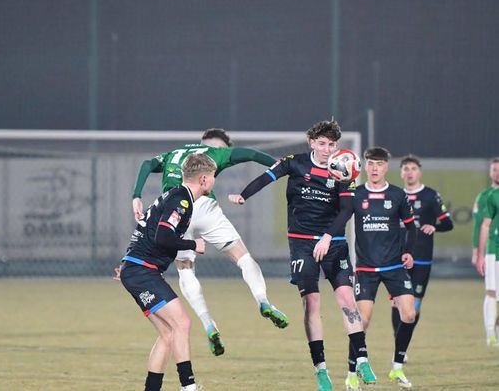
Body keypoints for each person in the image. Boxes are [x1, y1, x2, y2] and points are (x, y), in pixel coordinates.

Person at [229, 120, 376, 391]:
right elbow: (267, 177)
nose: (327, 149)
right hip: (302, 244)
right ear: (312, 143)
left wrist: (328, 237)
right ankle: (321, 370)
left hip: (334, 242)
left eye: (332, 144)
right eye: (322, 143)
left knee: (347, 299)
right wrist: (244, 195)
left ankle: (363, 359)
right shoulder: (295, 163)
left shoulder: (343, 168)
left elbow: (347, 210)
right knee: (312, 304)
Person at [131, 128, 289, 356]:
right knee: (243, 257)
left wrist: (136, 195)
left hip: (175, 208)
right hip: (204, 206)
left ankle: (208, 323)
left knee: (185, 269)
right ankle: (263, 301)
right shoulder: (216, 153)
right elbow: (252, 154)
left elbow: (147, 164)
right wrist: (280, 166)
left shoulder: (174, 153)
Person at [119, 153, 216, 391]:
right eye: (213, 176)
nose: (214, 181)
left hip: (137, 269)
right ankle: (188, 386)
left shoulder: (176, 195)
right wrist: (193, 244)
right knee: (182, 323)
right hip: (142, 271)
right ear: (203, 179)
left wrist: (128, 263)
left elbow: (149, 232)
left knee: (168, 333)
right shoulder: (181, 200)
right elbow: (162, 237)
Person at [352, 147, 417, 389]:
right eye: (371, 163)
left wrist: (409, 251)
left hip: (394, 266)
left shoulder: (398, 195)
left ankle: (397, 368)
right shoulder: (356, 194)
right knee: (362, 321)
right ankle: (354, 369)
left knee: (409, 314)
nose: (375, 168)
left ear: (386, 167)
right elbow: (338, 221)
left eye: (379, 164)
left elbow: (411, 227)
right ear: (365, 166)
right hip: (366, 268)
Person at [391, 155, 453, 357]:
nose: (409, 172)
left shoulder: (431, 196)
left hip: (422, 258)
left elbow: (448, 223)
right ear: (401, 173)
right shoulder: (396, 195)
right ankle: (399, 347)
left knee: (414, 305)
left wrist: (434, 226)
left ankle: (404, 343)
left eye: (413, 169)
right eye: (406, 169)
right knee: (397, 302)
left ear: (420, 172)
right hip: (398, 258)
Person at [473, 157, 499, 346]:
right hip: (494, 249)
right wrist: (478, 252)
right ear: (490, 172)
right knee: (491, 291)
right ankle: (490, 332)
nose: (497, 173)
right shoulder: (486, 196)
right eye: (494, 169)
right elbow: (480, 225)